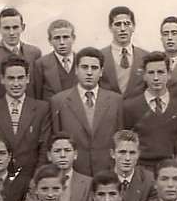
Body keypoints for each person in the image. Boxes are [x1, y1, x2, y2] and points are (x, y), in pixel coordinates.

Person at [51, 47, 124, 177]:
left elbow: (120, 141)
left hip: (107, 174)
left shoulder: (115, 101)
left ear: (101, 72)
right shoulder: (59, 101)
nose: (89, 72)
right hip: (73, 174)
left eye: (94, 68)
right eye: (84, 67)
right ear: (76, 70)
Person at [0, 55, 51, 182]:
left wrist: (36, 180)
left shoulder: (42, 109)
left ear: (27, 79)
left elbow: (44, 149)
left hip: (30, 180)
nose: (16, 83)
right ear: (2, 79)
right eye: (11, 78)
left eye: (20, 78)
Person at [123, 51, 177, 169]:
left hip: (172, 169)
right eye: (151, 73)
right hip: (142, 169)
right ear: (144, 75)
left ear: (169, 74)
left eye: (161, 72)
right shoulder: (130, 107)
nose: (156, 78)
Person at [0, 7, 42, 108]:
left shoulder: (34, 54)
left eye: (15, 27)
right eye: (6, 28)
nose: (11, 33)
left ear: (23, 27)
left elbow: (38, 92)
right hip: (0, 118)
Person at [24, 132, 91, 201]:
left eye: (67, 150)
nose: (62, 155)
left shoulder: (88, 183)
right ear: (49, 156)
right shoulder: (36, 182)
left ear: (75, 154)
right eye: (57, 151)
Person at [99, 6, 149, 101]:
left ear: (133, 27)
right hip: (109, 113)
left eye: (127, 24)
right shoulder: (99, 57)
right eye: (118, 24)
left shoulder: (145, 57)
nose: (122, 29)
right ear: (110, 28)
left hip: (136, 113)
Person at [31, 19, 77, 101]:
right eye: (57, 38)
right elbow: (37, 96)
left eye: (66, 37)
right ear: (50, 41)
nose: (62, 42)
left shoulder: (82, 62)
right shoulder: (41, 64)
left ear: (73, 38)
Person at [111, 130, 156, 201]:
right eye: (122, 152)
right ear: (113, 154)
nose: (127, 158)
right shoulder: (102, 180)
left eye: (132, 153)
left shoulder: (149, 181)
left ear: (138, 154)